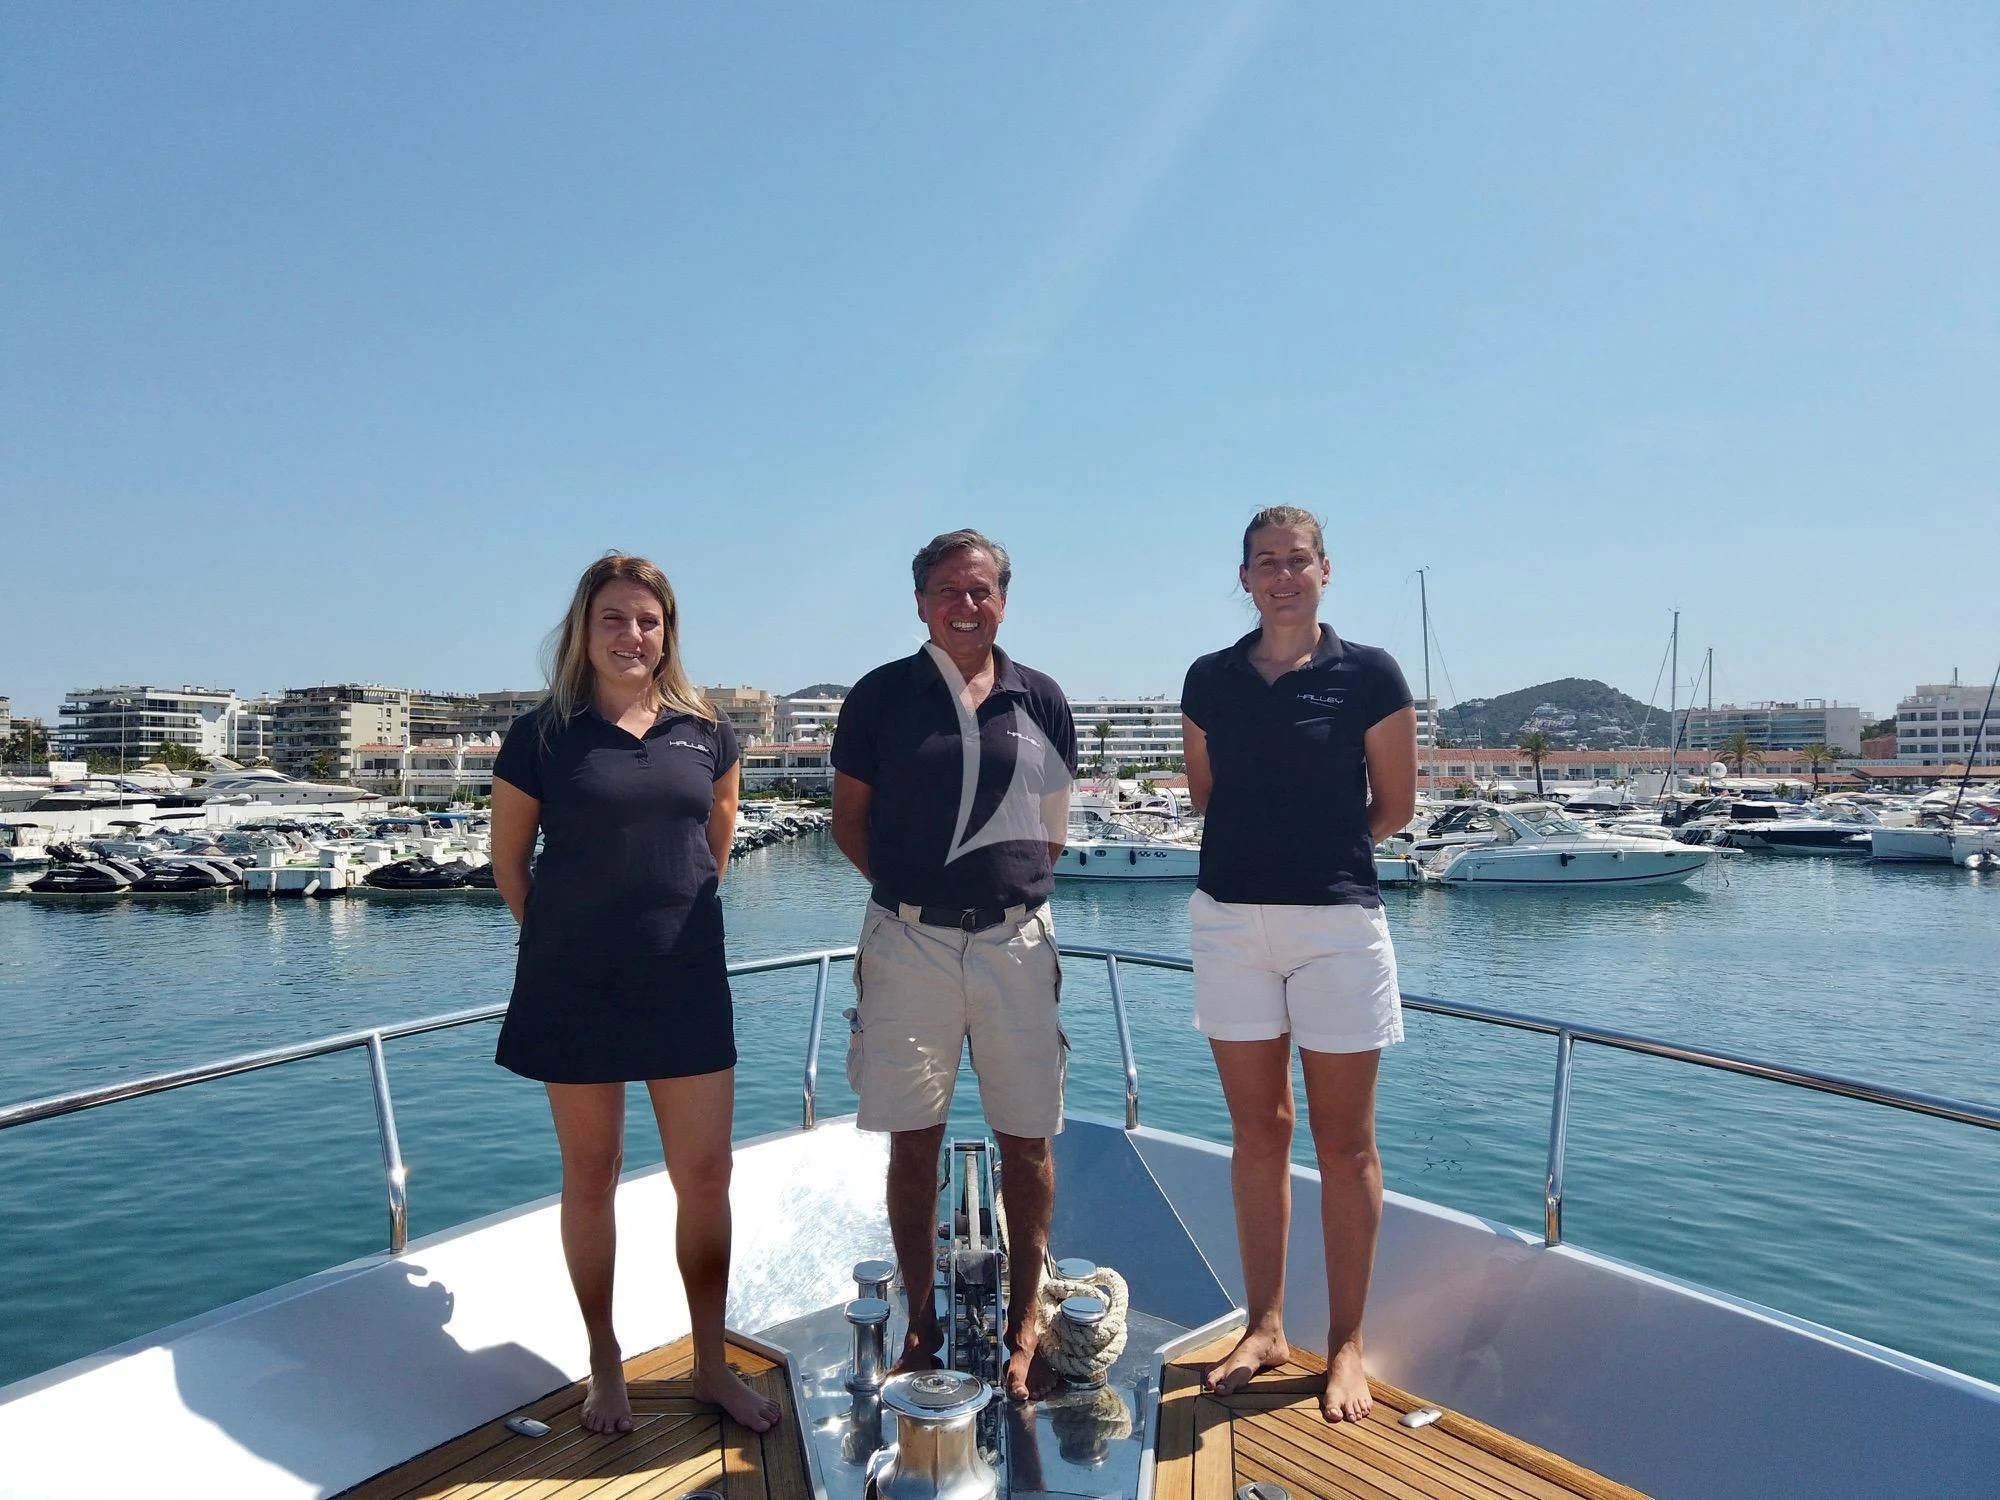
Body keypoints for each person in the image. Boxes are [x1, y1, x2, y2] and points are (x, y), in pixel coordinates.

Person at [489, 553, 781, 1437]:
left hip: (684, 978)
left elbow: (720, 823)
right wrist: (570, 940)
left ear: (669, 633)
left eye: (648, 620)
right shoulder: (540, 736)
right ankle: (605, 1365)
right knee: (594, 1174)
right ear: (584, 629)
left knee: (706, 1175)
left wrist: (676, 914)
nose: (633, 635)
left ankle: (706, 1363)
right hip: (573, 985)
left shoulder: (705, 729)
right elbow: (510, 865)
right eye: (614, 618)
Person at [1179, 507, 1418, 1425]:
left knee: (1345, 1142)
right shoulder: (1209, 680)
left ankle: (1347, 1344)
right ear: (1243, 578)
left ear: (1327, 571)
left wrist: (1316, 856)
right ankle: (1267, 1326)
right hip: (1230, 924)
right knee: (1259, 1134)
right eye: (1265, 563)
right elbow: (1211, 798)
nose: (1283, 575)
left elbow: (1391, 804)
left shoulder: (1370, 675)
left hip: (1338, 928)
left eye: (1298, 561)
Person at [830, 528, 1078, 1403]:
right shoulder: (879, 699)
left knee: (1030, 1143)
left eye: (980, 589)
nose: (964, 604)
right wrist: (916, 898)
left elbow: (1050, 829)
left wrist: (994, 897)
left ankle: (1026, 1326)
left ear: (1003, 597)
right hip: (910, 944)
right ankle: (922, 1327)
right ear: (920, 601)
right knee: (913, 1142)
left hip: (1015, 941)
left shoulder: (1040, 699)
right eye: (947, 589)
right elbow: (848, 825)